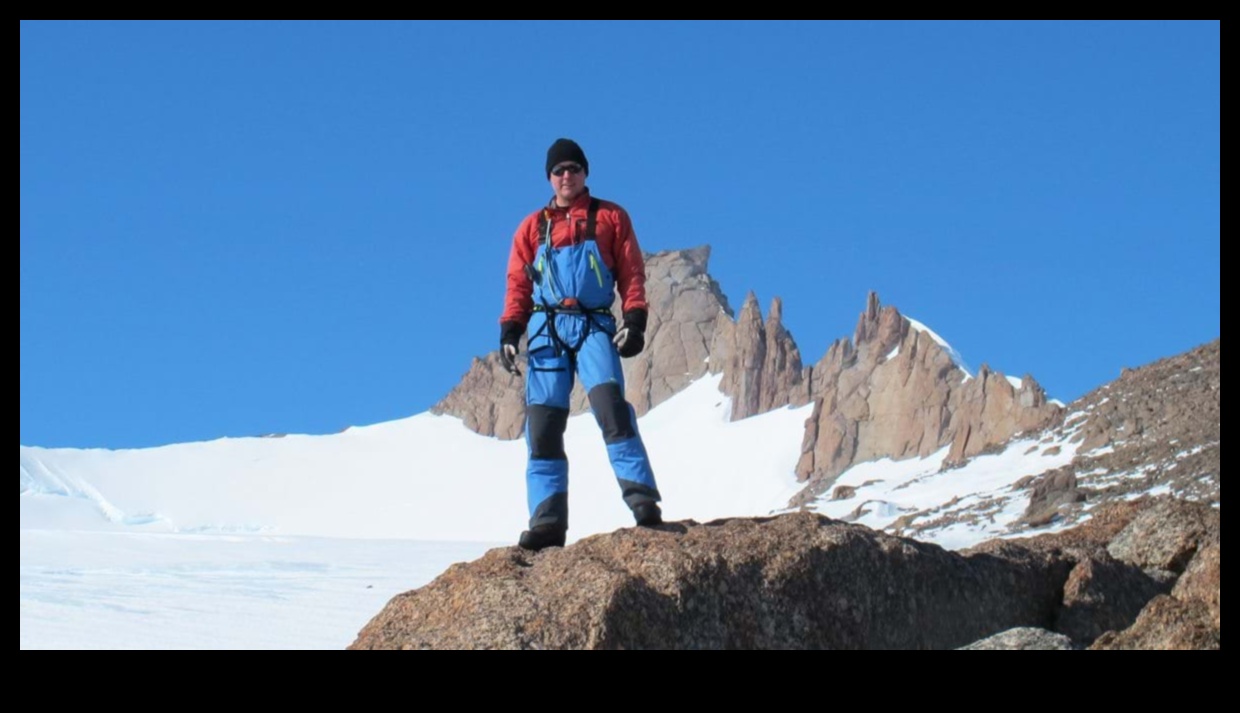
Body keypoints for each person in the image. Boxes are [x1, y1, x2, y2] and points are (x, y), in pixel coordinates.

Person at [498, 138, 663, 551]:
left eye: (573, 168)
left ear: (585, 172)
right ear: (549, 178)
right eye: (559, 170)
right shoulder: (532, 227)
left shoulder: (610, 217)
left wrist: (636, 319)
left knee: (612, 412)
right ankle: (547, 523)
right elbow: (518, 282)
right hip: (545, 332)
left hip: (593, 326)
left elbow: (631, 272)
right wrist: (510, 330)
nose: (566, 176)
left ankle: (643, 503)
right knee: (544, 429)